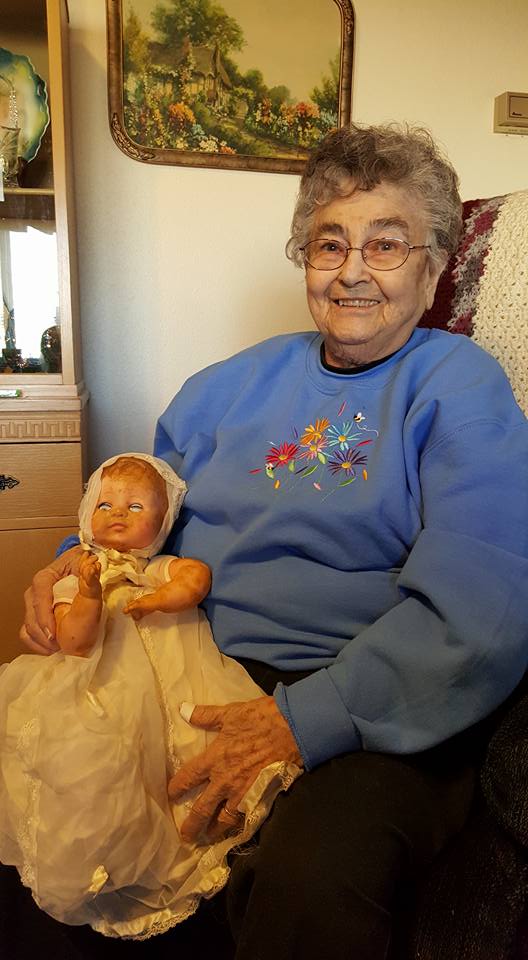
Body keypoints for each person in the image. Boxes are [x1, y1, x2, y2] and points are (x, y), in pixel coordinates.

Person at [16, 123, 528, 960]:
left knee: (310, 880)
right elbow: (134, 523)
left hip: (373, 711)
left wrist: (301, 721)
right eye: (330, 243)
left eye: (387, 244)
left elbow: (484, 604)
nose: (353, 269)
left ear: (434, 270)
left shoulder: (458, 386)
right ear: (305, 259)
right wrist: (74, 570)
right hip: (194, 672)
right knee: (61, 813)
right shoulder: (224, 386)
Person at [0, 453, 299, 940]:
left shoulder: (158, 566)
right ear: (85, 515)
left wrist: (160, 597)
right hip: (103, 685)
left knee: (173, 753)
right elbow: (74, 643)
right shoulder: (77, 574)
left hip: (175, 677)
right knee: (99, 762)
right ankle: (104, 852)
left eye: (137, 507)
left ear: (164, 524)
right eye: (106, 504)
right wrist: (91, 594)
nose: (118, 513)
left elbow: (195, 579)